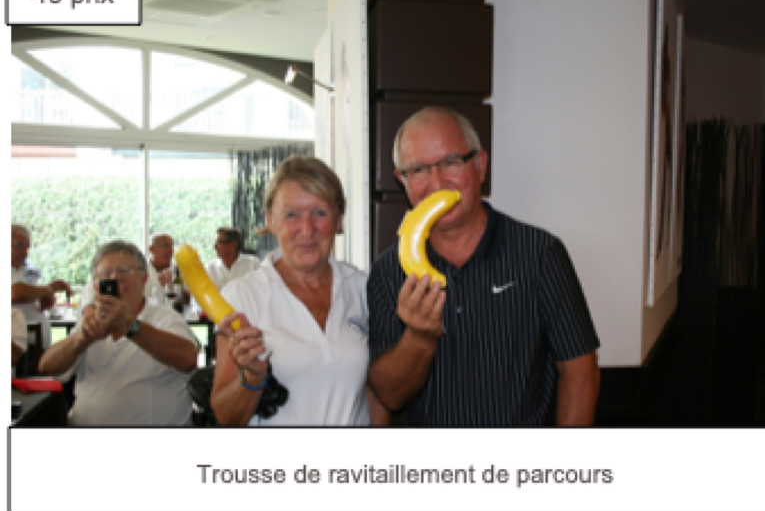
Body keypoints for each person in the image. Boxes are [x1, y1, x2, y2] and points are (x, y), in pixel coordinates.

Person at [367, 107, 601, 426]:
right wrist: (419, 338)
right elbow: (390, 395)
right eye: (418, 169)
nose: (437, 183)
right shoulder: (387, 272)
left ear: (480, 165)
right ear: (402, 180)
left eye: (451, 162)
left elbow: (580, 370)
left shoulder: (540, 254)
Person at [211, 156, 389, 426]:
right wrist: (252, 378)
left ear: (339, 219)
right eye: (291, 215)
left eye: (320, 213)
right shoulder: (243, 296)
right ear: (271, 220)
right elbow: (226, 417)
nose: (307, 230)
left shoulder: (362, 287)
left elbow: (375, 392)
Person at [38, 240, 199, 426]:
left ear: (144, 279)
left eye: (124, 271)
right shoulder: (89, 324)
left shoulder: (164, 318)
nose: (115, 278)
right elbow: (46, 366)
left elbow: (188, 359)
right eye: (106, 273)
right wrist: (82, 339)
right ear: (96, 285)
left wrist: (130, 326)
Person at [9, 223, 72, 350]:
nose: (25, 253)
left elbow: (26, 294)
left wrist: (41, 297)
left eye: (27, 247)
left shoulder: (25, 270)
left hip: (36, 345)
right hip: (18, 349)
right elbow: (15, 293)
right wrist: (49, 289)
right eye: (20, 246)